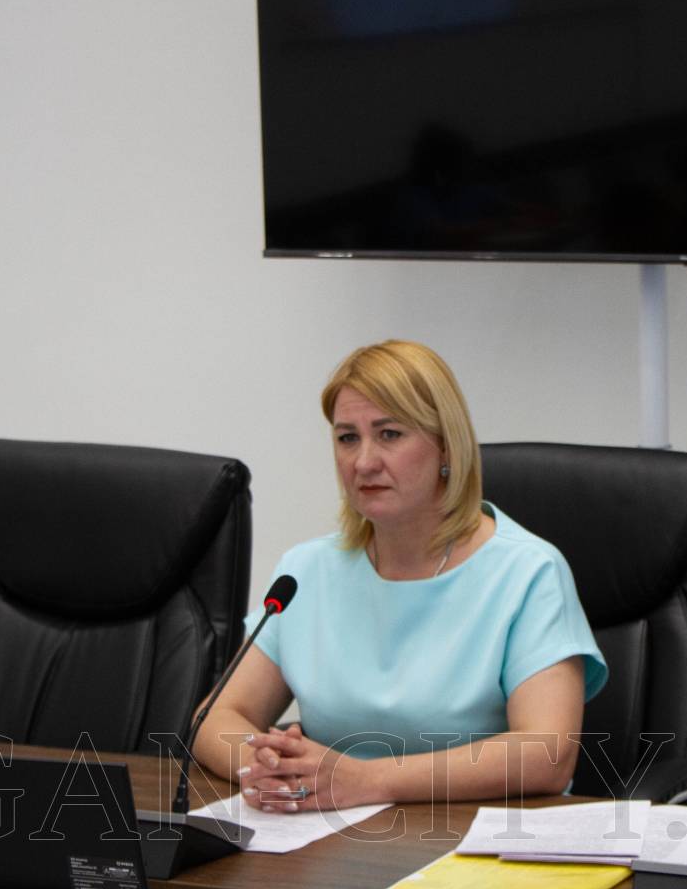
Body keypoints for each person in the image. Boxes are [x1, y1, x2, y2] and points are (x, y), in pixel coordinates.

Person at [190, 340, 606, 812]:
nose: (364, 462)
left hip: (480, 836)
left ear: (446, 445)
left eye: (389, 434)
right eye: (347, 438)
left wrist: (368, 780)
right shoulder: (305, 572)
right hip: (330, 833)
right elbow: (216, 718)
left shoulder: (528, 573)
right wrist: (268, 766)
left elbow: (548, 755)